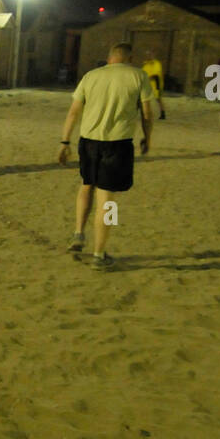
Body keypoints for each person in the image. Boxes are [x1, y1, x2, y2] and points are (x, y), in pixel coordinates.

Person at [57, 42, 154, 269]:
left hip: (88, 142)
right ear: (129, 58)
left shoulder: (91, 76)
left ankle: (78, 234)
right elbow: (147, 114)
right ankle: (100, 254)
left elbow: (73, 112)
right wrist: (147, 138)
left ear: (110, 57)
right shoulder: (138, 76)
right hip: (117, 144)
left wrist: (64, 141)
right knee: (108, 202)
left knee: (86, 185)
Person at [141, 50, 166, 120]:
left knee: (158, 99)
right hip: (148, 85)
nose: (148, 56)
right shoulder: (146, 65)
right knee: (145, 99)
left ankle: (162, 112)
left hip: (156, 85)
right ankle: (146, 113)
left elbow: (156, 74)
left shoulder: (156, 64)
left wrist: (148, 77)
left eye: (150, 55)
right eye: (147, 55)